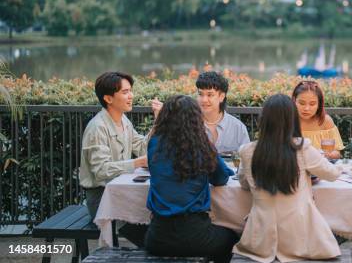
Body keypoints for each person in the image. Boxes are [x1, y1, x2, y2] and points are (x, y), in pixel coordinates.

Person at [234, 94, 342, 262]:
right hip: (300, 238)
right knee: (337, 231)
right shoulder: (302, 147)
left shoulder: (247, 150)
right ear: (292, 120)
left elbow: (244, 183)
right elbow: (332, 174)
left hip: (260, 240)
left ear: (263, 120)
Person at [144, 95, 238, 262]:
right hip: (195, 236)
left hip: (157, 238)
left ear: (165, 117)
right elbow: (221, 178)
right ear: (196, 118)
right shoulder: (202, 145)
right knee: (232, 236)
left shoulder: (154, 143)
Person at [79, 71, 148, 245]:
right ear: (108, 99)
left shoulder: (124, 120)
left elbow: (141, 147)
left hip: (120, 191)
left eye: (130, 90)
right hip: (101, 198)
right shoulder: (97, 127)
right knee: (150, 230)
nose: (131, 96)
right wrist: (138, 162)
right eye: (125, 92)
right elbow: (101, 171)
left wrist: (160, 122)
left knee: (156, 214)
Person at [152, 71, 250, 153]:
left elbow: (247, 160)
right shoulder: (187, 123)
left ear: (221, 96)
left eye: (210, 95)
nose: (204, 100)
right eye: (200, 94)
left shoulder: (238, 128)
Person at [292, 80, 344, 159]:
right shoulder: (288, 120)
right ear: (294, 100)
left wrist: (328, 155)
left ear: (319, 104)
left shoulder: (326, 121)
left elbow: (337, 153)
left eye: (312, 104)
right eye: (302, 103)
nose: (306, 108)